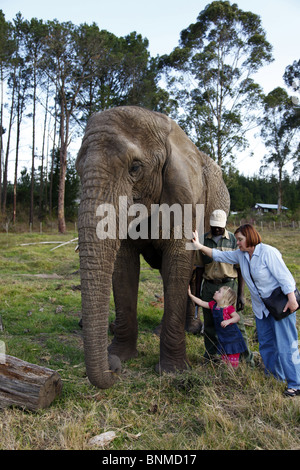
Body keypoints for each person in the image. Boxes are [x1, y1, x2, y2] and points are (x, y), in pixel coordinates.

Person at [192, 223, 300, 397]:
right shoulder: (241, 255)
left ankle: (295, 383)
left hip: (281, 306)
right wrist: (199, 246)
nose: (238, 243)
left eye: (240, 239)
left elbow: (285, 276)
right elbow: (219, 254)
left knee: (286, 344)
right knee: (266, 344)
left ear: (250, 237)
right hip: (262, 309)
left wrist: (292, 300)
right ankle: (274, 377)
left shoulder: (267, 252)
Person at [194, 209, 254, 366]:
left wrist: (241, 294)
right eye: (214, 226)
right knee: (210, 324)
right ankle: (212, 357)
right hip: (209, 286)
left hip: (228, 286)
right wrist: (198, 291)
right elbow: (199, 267)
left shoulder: (234, 240)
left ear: (225, 224)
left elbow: (240, 268)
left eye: (220, 226)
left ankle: (246, 359)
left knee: (236, 324)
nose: (217, 229)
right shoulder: (203, 240)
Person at [188, 285, 247, 368]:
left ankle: (234, 373)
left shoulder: (228, 309)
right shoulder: (213, 305)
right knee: (225, 359)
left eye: (219, 292)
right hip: (223, 338)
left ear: (225, 298)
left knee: (232, 361)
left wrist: (228, 321)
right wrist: (190, 295)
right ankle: (226, 372)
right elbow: (201, 302)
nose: (215, 292)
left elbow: (237, 317)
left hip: (233, 338)